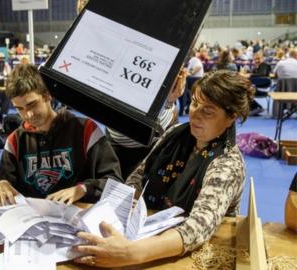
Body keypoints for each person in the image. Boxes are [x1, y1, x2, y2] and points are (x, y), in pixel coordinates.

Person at [73, 70, 253, 268]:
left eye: (208, 111)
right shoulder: (176, 133)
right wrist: (117, 211)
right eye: (194, 103)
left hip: (194, 252)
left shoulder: (227, 163)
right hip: (152, 229)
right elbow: (139, 175)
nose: (195, 114)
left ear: (231, 118)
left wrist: (130, 253)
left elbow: (198, 226)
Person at [0, 64, 122, 206]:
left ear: (47, 95)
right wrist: (0, 184)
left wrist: (83, 189)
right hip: (34, 220)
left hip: (78, 217)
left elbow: (114, 182)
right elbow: (4, 182)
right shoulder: (14, 141)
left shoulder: (86, 130)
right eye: (20, 109)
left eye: (32, 104)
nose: (28, 114)